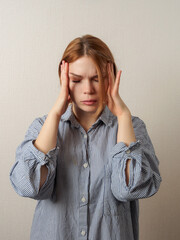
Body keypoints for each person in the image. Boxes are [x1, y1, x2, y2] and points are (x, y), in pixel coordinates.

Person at [9, 34, 162, 240]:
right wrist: (55, 114)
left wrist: (123, 115)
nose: (88, 90)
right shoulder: (42, 127)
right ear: (64, 80)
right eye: (77, 80)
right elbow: (29, 186)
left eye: (96, 79)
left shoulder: (132, 127)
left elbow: (129, 190)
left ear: (111, 78)